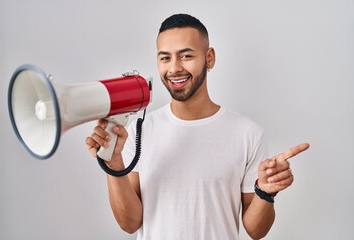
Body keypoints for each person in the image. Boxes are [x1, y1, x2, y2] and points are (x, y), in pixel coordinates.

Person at [86, 13, 310, 240]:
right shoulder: (139, 130)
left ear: (209, 58)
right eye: (165, 58)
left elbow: (256, 230)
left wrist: (265, 192)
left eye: (186, 56)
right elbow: (130, 223)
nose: (174, 68)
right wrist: (113, 163)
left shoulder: (247, 133)